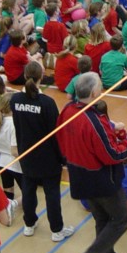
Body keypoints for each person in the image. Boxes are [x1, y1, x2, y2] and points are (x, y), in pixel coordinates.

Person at [57, 73, 127, 253]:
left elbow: (65, 140)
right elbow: (113, 155)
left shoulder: (68, 111)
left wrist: (114, 133)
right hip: (101, 179)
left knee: (103, 219)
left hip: (79, 175)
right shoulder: (92, 120)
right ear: (95, 93)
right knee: (121, 219)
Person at [11, 62, 74, 242]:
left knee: (28, 189)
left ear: (25, 75)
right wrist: (62, 158)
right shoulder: (46, 103)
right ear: (41, 77)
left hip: (26, 154)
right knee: (52, 193)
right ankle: (56, 230)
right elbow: (56, 134)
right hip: (47, 156)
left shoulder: (15, 100)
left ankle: (29, 225)